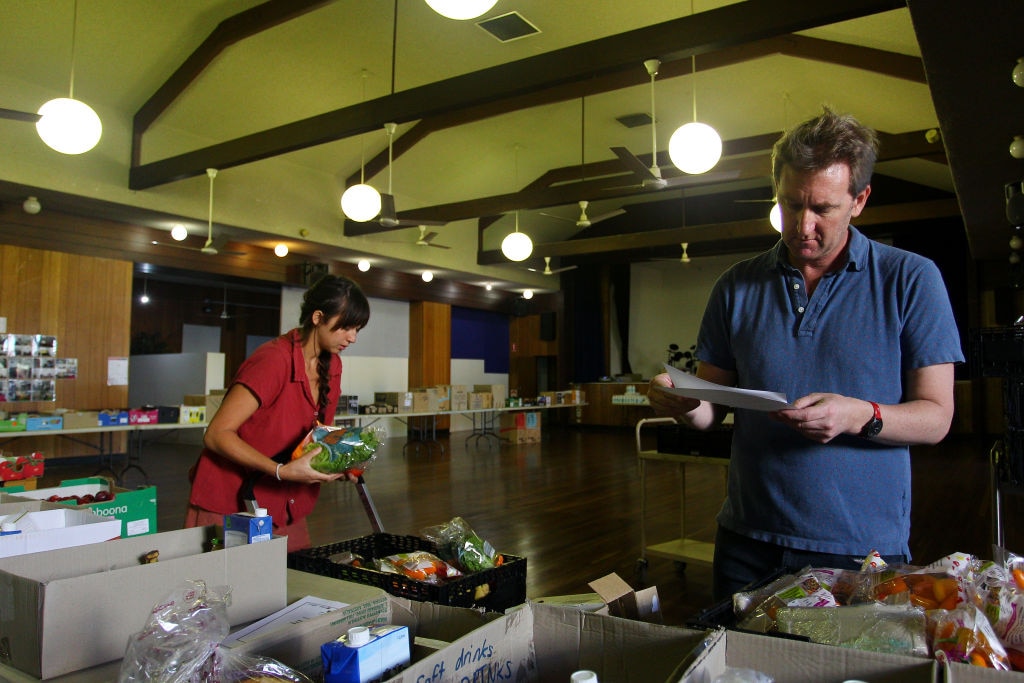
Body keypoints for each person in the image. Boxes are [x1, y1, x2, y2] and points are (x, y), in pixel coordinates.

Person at [649, 107, 964, 600]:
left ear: (859, 200)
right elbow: (713, 409)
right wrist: (686, 403)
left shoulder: (911, 279)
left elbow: (937, 417)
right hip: (747, 539)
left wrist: (858, 414)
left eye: (823, 208)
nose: (803, 225)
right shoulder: (736, 285)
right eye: (790, 205)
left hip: (862, 548)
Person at [185, 274, 370, 552]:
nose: (353, 338)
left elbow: (316, 437)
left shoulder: (332, 366)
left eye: (357, 329)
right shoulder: (273, 360)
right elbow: (217, 435)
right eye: (346, 327)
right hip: (229, 502)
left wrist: (340, 461)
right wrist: (280, 471)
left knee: (289, 586)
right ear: (318, 317)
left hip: (284, 500)